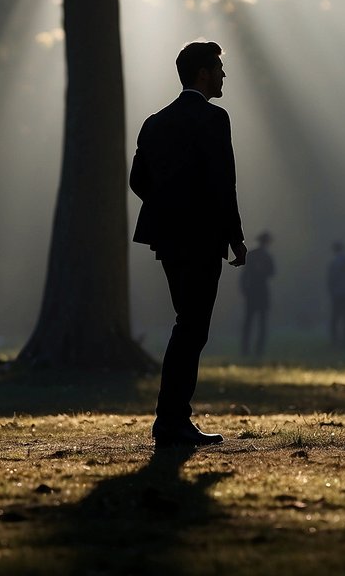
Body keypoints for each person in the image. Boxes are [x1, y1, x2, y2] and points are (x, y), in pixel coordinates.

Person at [131, 41, 247, 446]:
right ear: (202, 73)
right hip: (202, 237)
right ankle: (171, 420)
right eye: (218, 69)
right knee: (192, 328)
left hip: (167, 237)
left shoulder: (154, 122)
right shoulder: (214, 119)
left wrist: (168, 206)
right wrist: (236, 237)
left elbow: (137, 181)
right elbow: (222, 181)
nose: (222, 76)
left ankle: (174, 418)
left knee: (186, 322)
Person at [239, 231, 275, 357]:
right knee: (261, 322)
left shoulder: (251, 254)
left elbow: (244, 274)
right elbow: (272, 272)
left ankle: (246, 349)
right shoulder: (266, 256)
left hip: (252, 291)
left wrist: (244, 289)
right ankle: (258, 350)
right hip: (260, 291)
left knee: (249, 322)